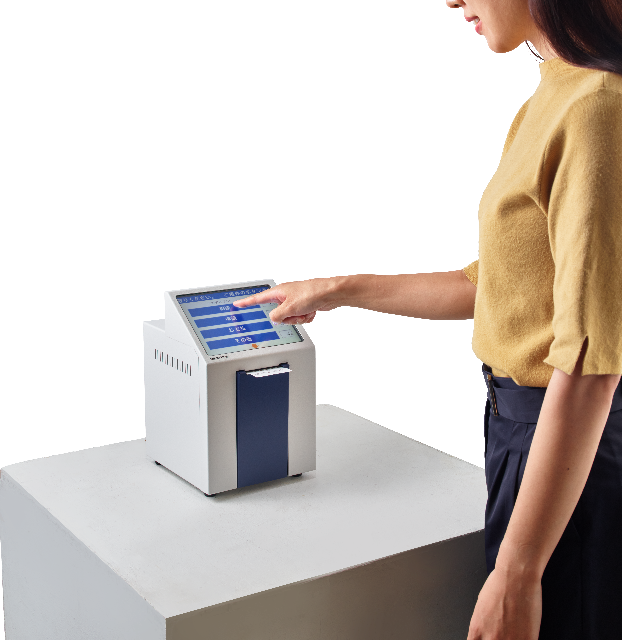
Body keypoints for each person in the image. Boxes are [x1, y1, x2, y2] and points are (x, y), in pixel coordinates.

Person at [236, 0, 622, 637]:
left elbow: (589, 364)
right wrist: (338, 289)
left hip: (562, 439)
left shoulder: (596, 108)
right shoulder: (559, 91)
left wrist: (517, 573)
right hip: (527, 430)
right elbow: (497, 283)